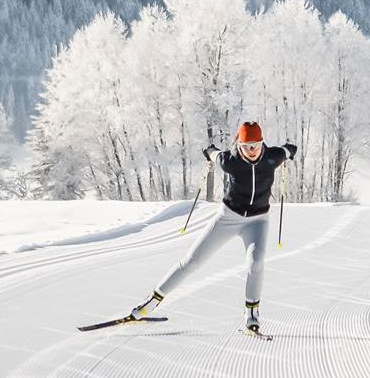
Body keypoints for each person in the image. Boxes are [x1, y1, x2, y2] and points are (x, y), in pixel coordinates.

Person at [126, 121, 296, 335]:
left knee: (256, 263)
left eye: (255, 145)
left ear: (262, 143)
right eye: (245, 146)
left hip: (258, 221)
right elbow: (215, 154)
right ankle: (151, 302)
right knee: (192, 261)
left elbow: (287, 150)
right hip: (228, 217)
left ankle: (251, 313)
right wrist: (209, 151)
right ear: (239, 145)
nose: (251, 150)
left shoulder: (272, 157)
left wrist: (290, 150)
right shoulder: (230, 161)